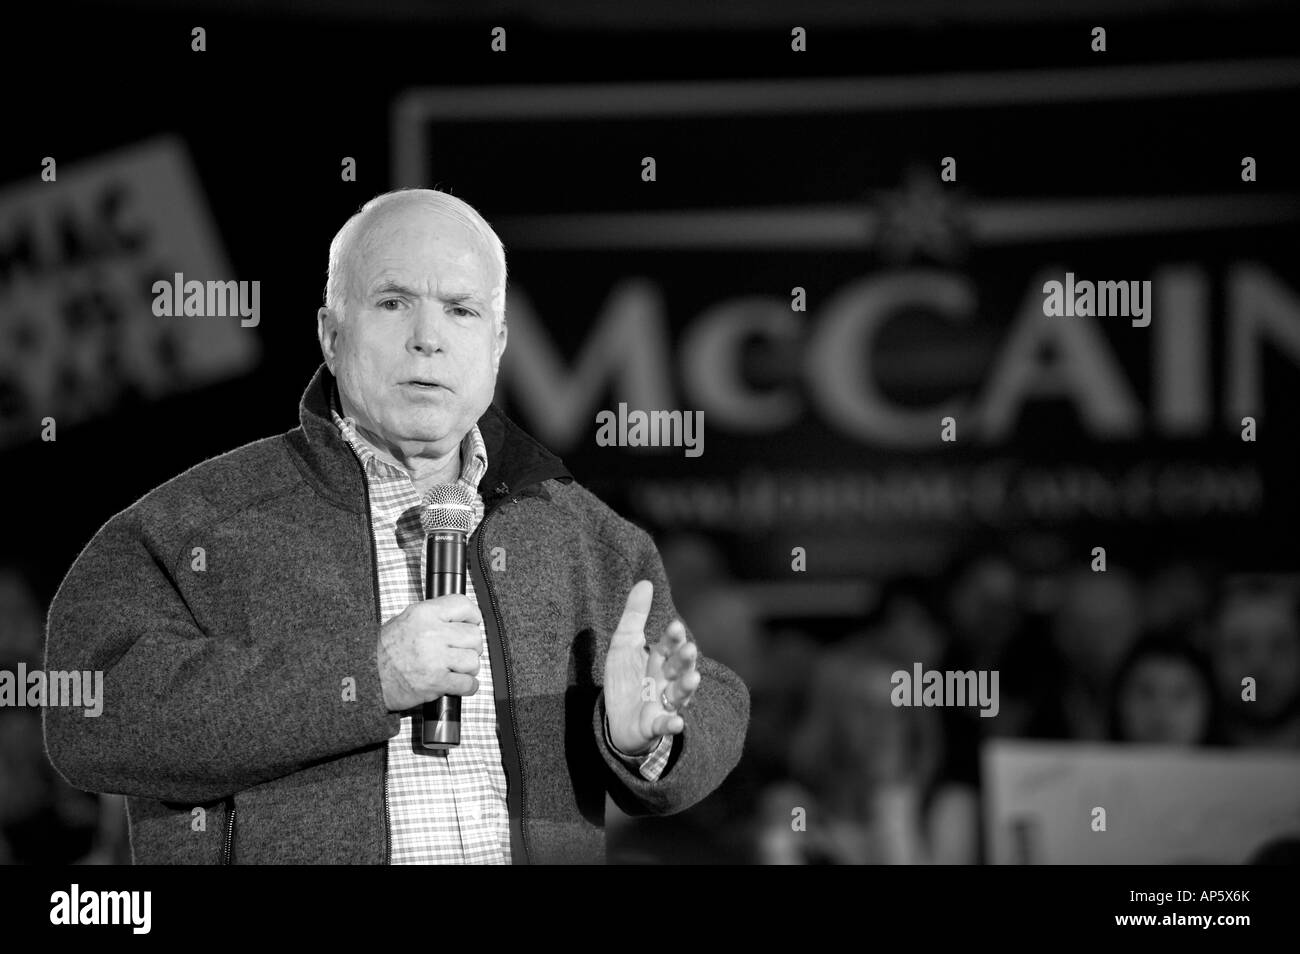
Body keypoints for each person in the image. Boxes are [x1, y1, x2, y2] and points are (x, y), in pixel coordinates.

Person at [42, 188, 750, 864]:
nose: (427, 340)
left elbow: (710, 698)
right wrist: (362, 677)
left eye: (460, 311)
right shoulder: (195, 526)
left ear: (498, 344)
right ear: (330, 332)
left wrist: (641, 742)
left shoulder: (581, 537)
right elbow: (90, 712)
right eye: (392, 302)